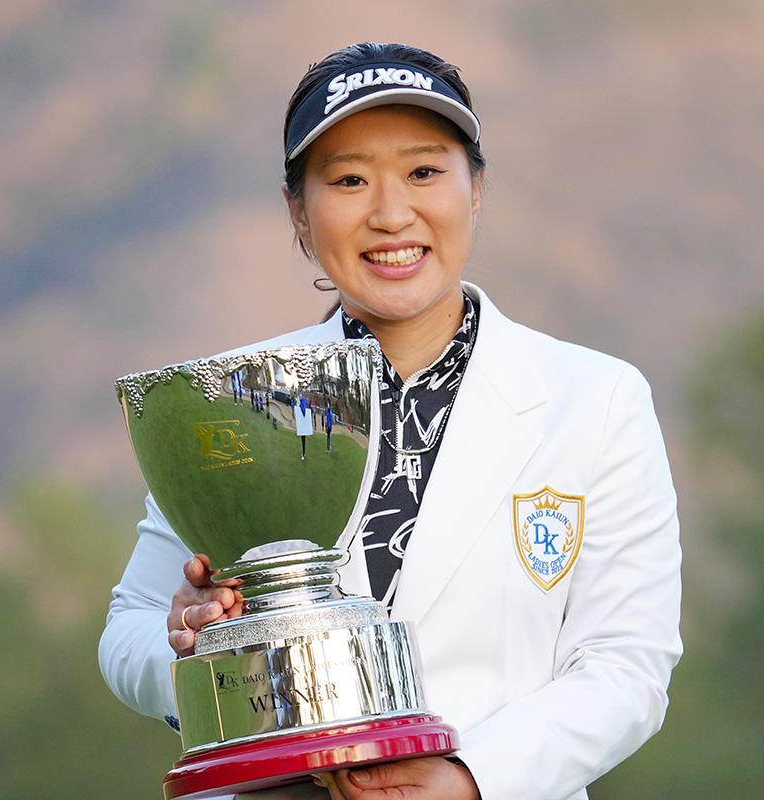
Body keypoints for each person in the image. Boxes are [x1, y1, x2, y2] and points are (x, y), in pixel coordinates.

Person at [99, 41, 682, 800]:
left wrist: (471, 779)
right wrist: (190, 649)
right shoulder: (231, 396)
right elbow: (130, 630)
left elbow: (625, 666)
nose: (390, 212)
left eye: (424, 171)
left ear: (475, 188)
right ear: (298, 213)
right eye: (347, 180)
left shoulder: (595, 399)